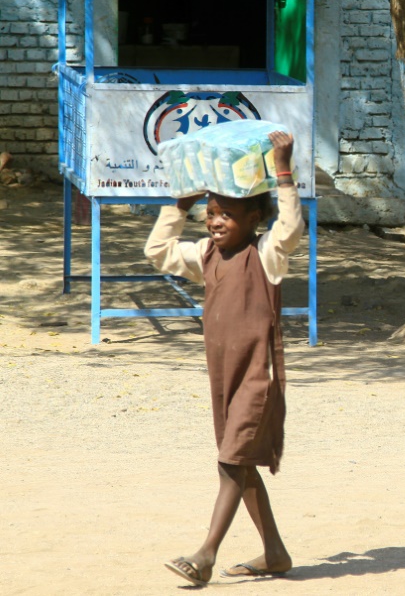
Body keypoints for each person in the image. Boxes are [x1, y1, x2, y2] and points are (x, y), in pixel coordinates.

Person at [145, 131, 303, 586]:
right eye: (211, 213)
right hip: (223, 377)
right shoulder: (206, 255)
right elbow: (157, 252)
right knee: (239, 460)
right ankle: (274, 552)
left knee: (232, 460)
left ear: (255, 217)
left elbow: (290, 228)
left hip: (258, 375)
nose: (215, 222)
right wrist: (178, 206)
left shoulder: (267, 255)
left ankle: (205, 555)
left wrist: (283, 170)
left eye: (227, 215)